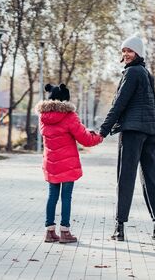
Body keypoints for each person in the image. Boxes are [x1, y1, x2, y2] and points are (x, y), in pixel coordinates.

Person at [99, 34, 155, 241]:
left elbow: (119, 104)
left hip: (132, 132)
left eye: (130, 51)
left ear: (138, 53)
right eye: (124, 51)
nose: (126, 54)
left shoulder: (132, 73)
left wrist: (102, 130)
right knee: (152, 179)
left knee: (125, 178)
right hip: (150, 133)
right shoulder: (146, 73)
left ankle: (119, 228)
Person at [35, 83, 103, 243]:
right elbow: (84, 139)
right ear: (66, 99)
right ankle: (65, 232)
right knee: (66, 196)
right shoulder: (69, 116)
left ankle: (49, 232)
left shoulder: (43, 117)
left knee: (52, 196)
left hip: (51, 163)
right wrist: (98, 137)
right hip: (67, 165)